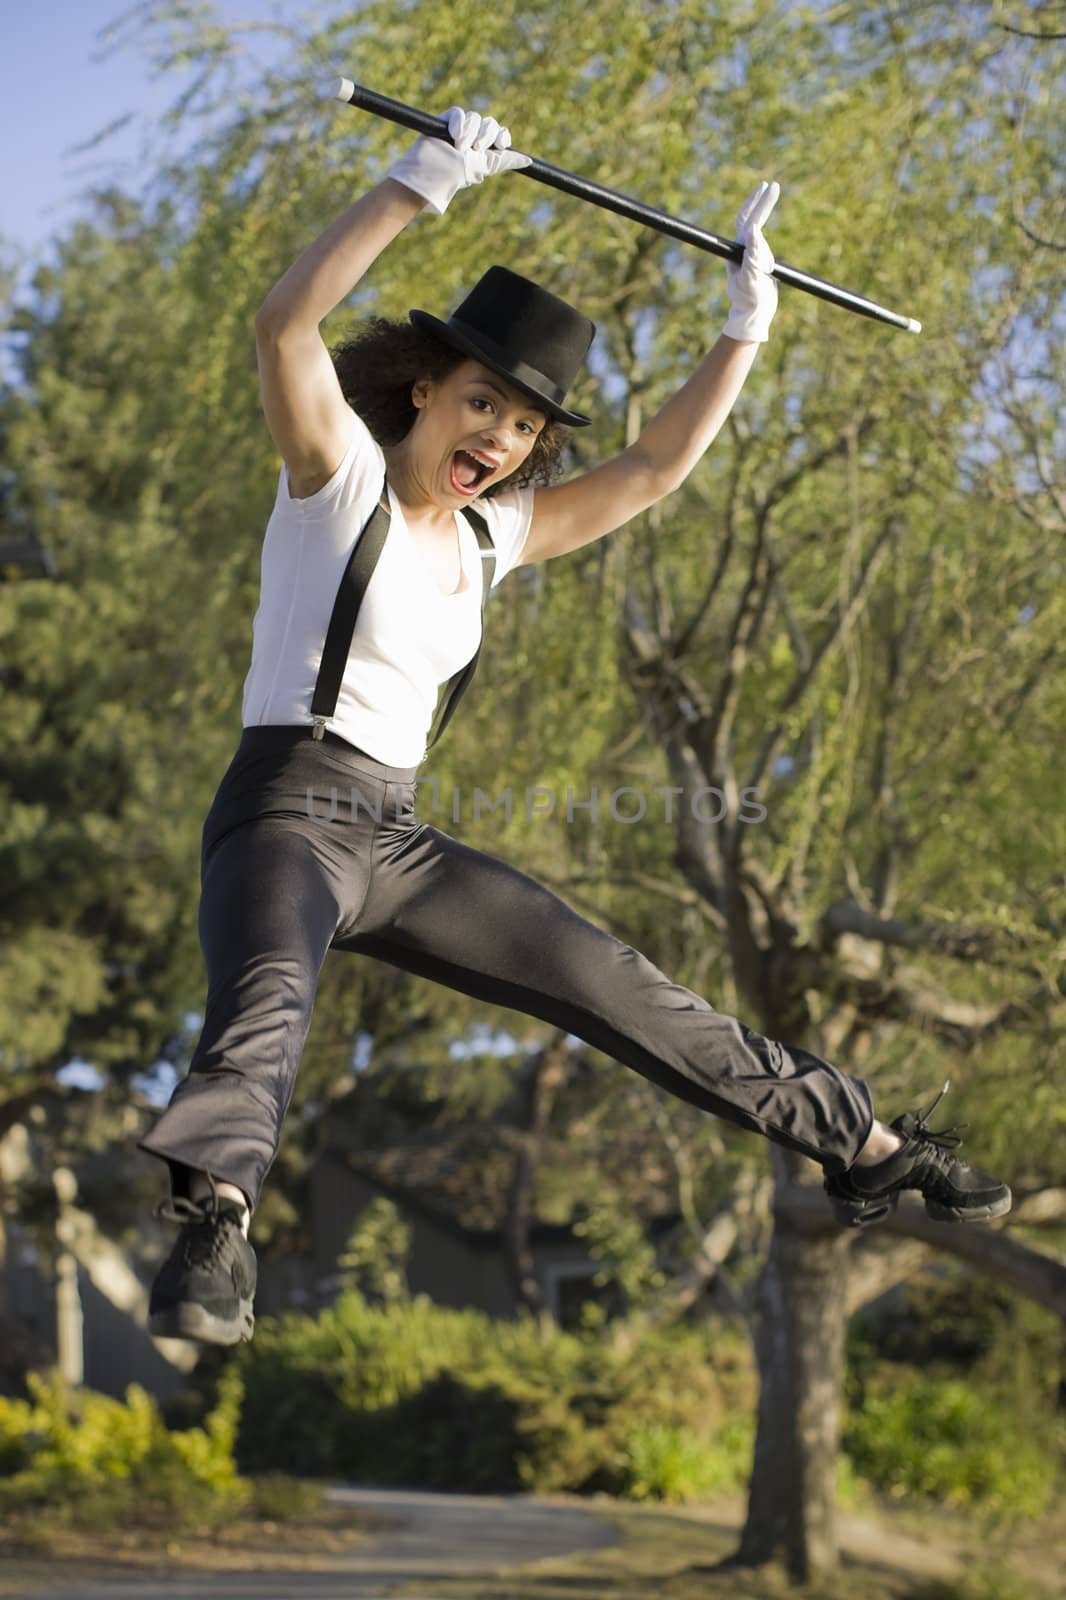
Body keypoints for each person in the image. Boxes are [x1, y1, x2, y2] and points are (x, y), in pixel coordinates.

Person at [139, 106, 1012, 1347]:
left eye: (523, 429)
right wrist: (423, 182)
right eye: (481, 404)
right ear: (426, 388)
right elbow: (285, 324)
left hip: (396, 840)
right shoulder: (333, 476)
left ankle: (857, 1142)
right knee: (267, 1005)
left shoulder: (493, 538)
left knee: (612, 980)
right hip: (284, 811)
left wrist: (744, 326)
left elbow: (653, 469)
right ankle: (215, 1230)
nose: (496, 440)